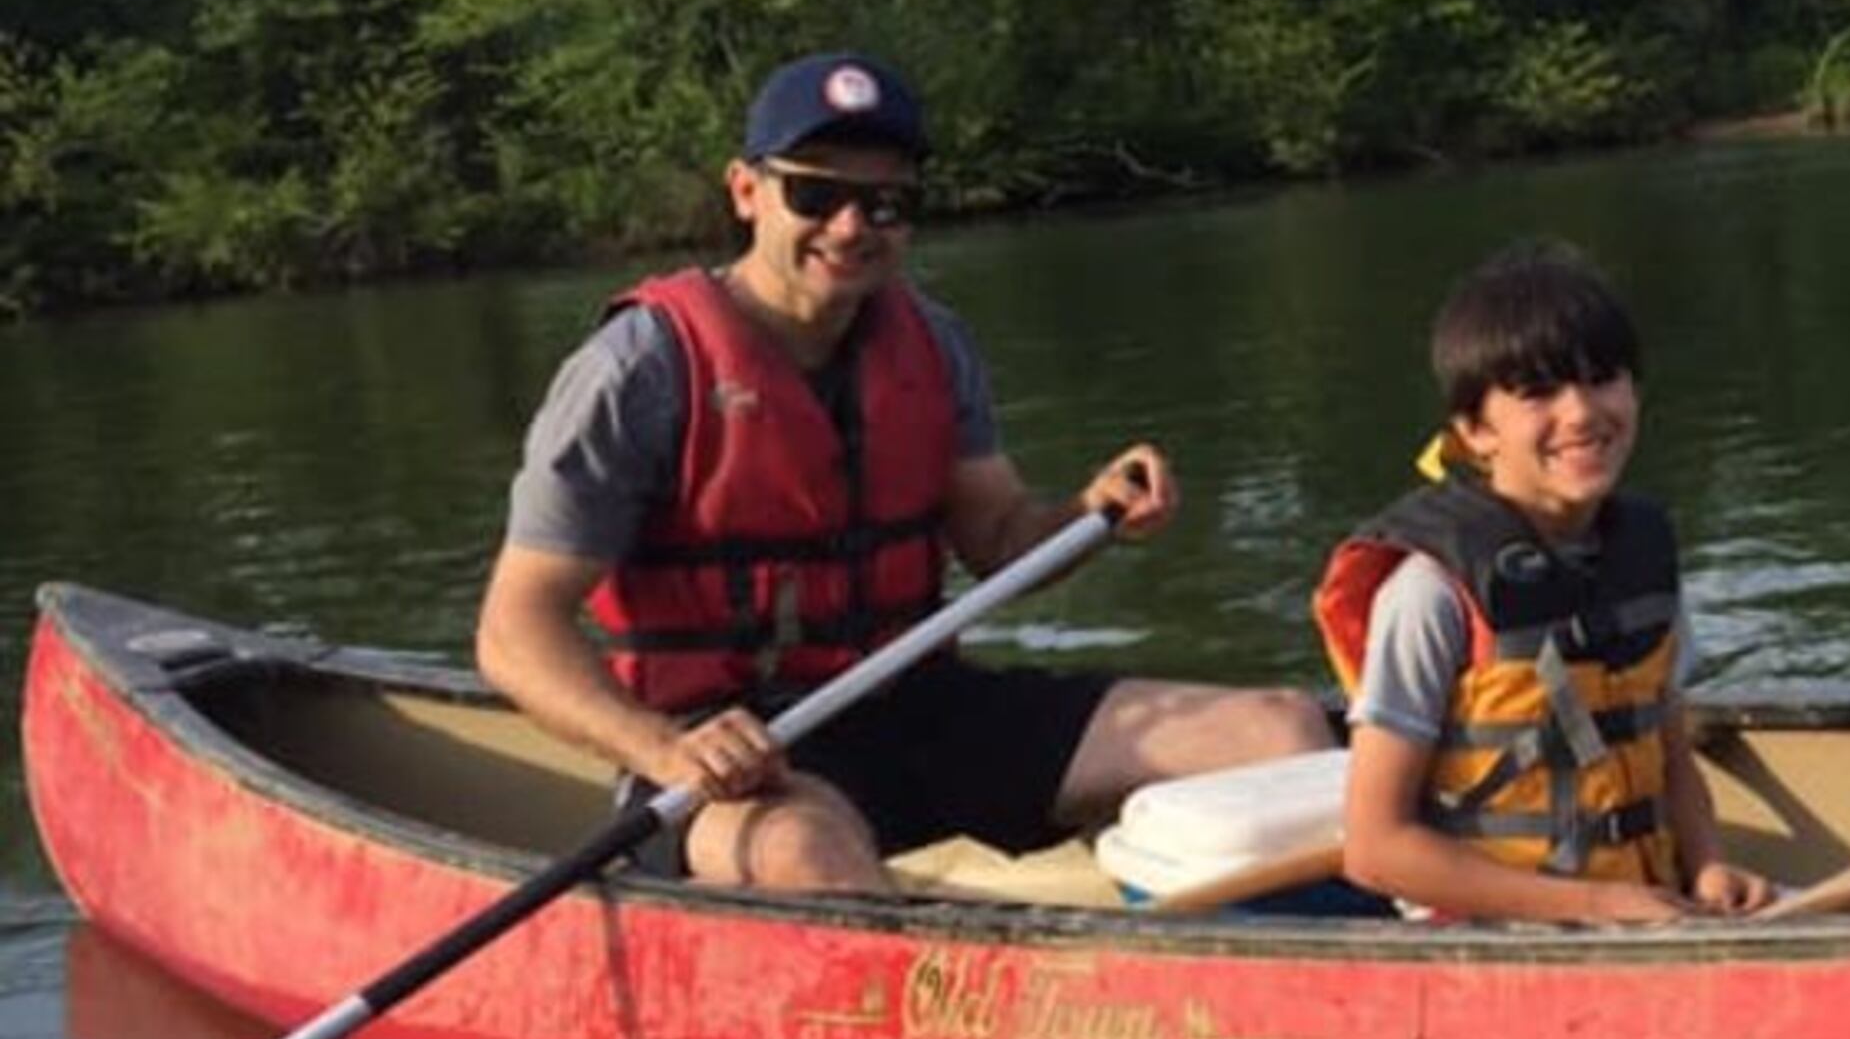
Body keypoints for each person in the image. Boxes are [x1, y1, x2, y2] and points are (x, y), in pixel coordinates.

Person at [475, 50, 1334, 894]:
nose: (851, 227)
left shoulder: (933, 343)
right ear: (746, 191)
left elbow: (999, 538)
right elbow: (514, 634)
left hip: (925, 711)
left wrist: (1088, 513)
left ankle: (1293, 969)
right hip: (733, 751)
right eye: (815, 194)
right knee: (810, 854)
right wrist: (668, 751)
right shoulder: (639, 369)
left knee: (1284, 732)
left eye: (883, 203)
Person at [1311, 243, 1774, 926]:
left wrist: (1707, 864)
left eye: (1604, 378)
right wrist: (1594, 904)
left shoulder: (1640, 555)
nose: (1583, 413)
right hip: (1498, 940)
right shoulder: (1429, 594)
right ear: (1475, 430)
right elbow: (1376, 850)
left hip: (1647, 913)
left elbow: (1669, 757)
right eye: (1538, 393)